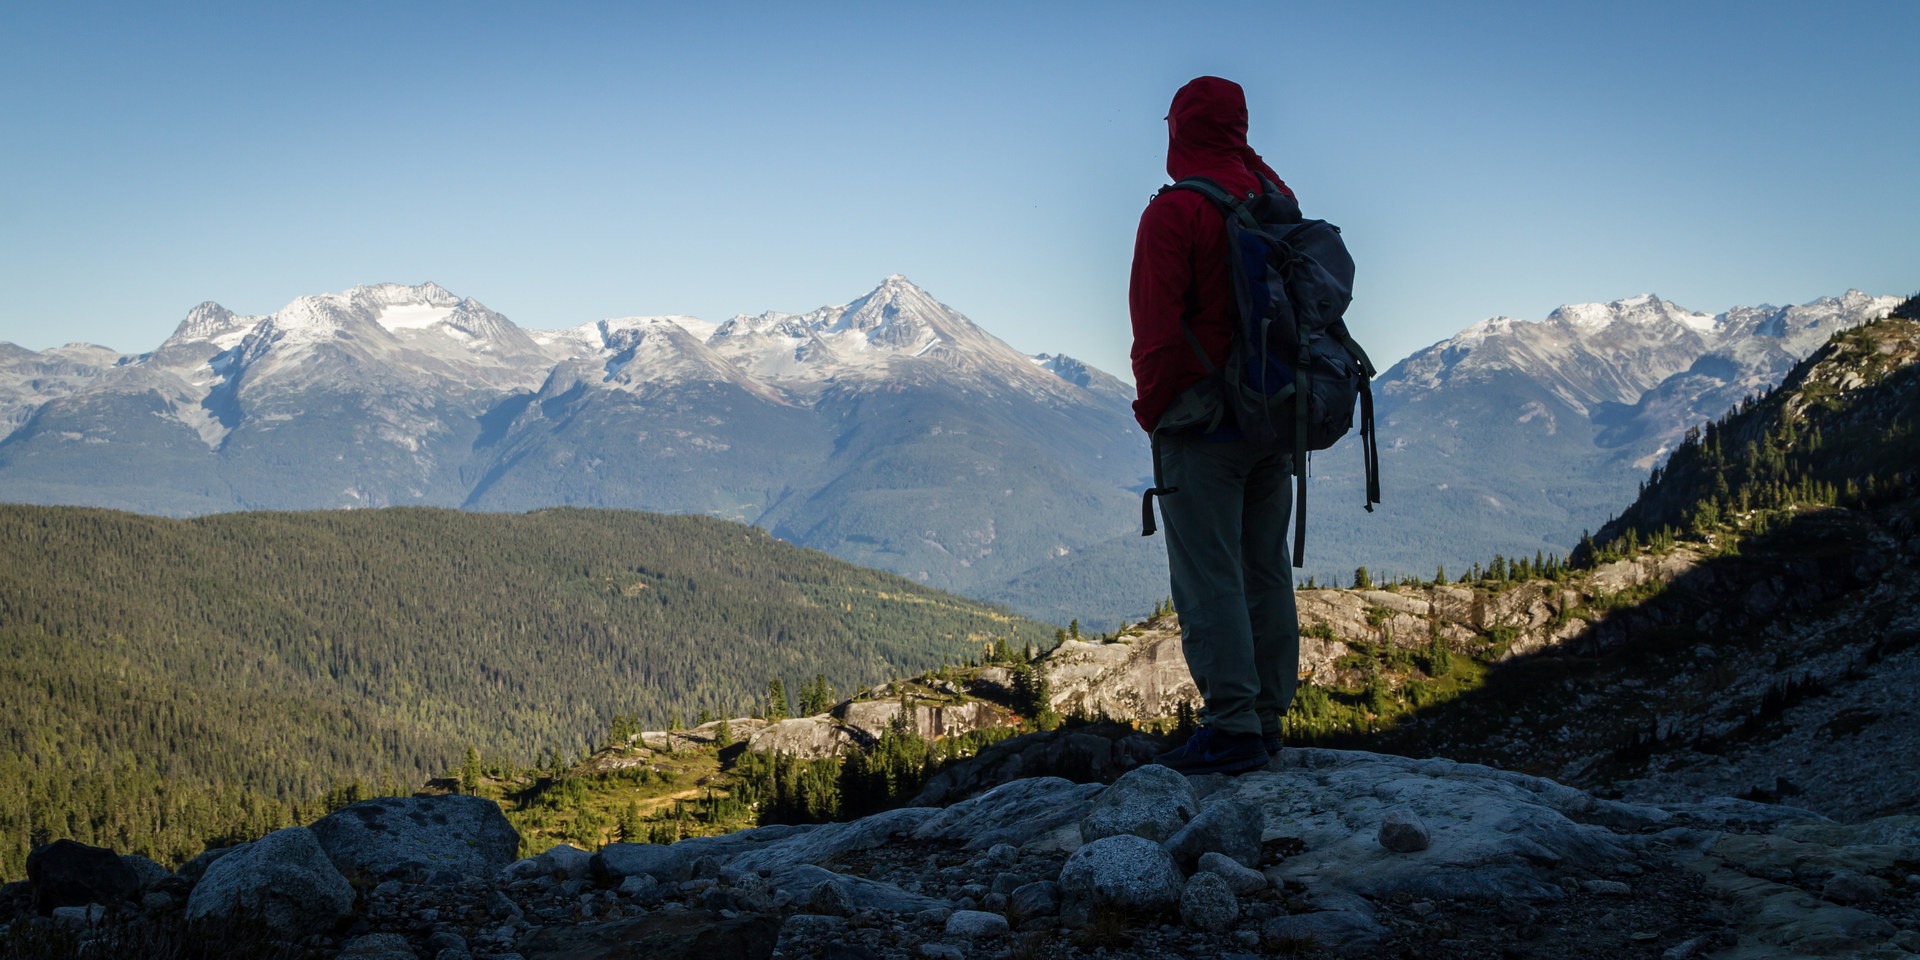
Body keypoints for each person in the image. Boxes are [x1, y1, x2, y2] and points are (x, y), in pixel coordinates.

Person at [1130, 76, 1299, 775]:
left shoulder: (1177, 212)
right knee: (1265, 567)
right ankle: (1265, 719)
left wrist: (1156, 413)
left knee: (1210, 578)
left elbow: (1158, 333)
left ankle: (1229, 728)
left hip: (1202, 426)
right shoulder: (1276, 200)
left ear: (1178, 130)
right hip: (1275, 419)